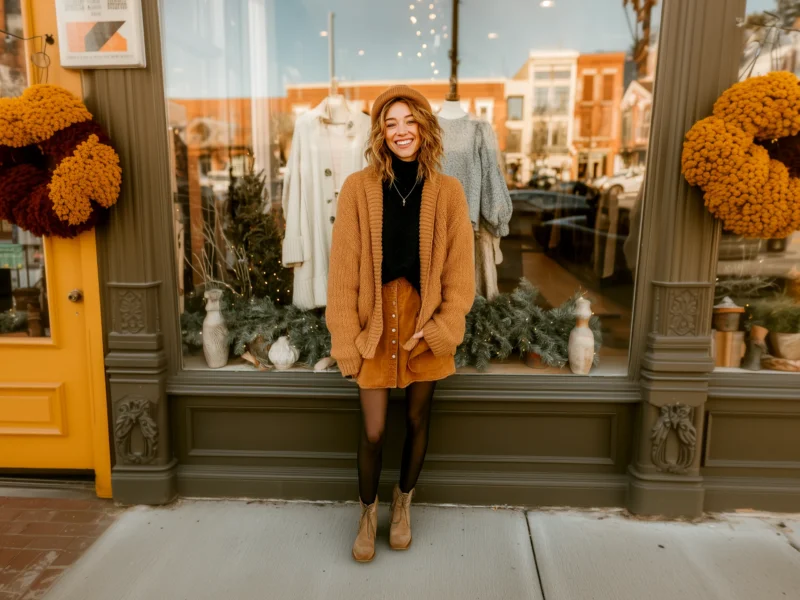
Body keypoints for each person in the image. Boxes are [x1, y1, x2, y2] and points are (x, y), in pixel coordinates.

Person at [326, 86, 475, 563]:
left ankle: (403, 503)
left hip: (423, 318)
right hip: (375, 322)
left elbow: (459, 276)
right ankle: (368, 513)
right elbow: (343, 275)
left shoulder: (448, 192)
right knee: (373, 432)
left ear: (425, 126)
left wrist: (438, 330)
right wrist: (346, 342)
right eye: (390, 123)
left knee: (416, 421)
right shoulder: (357, 188)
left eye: (409, 121)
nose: (400, 131)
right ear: (379, 133)